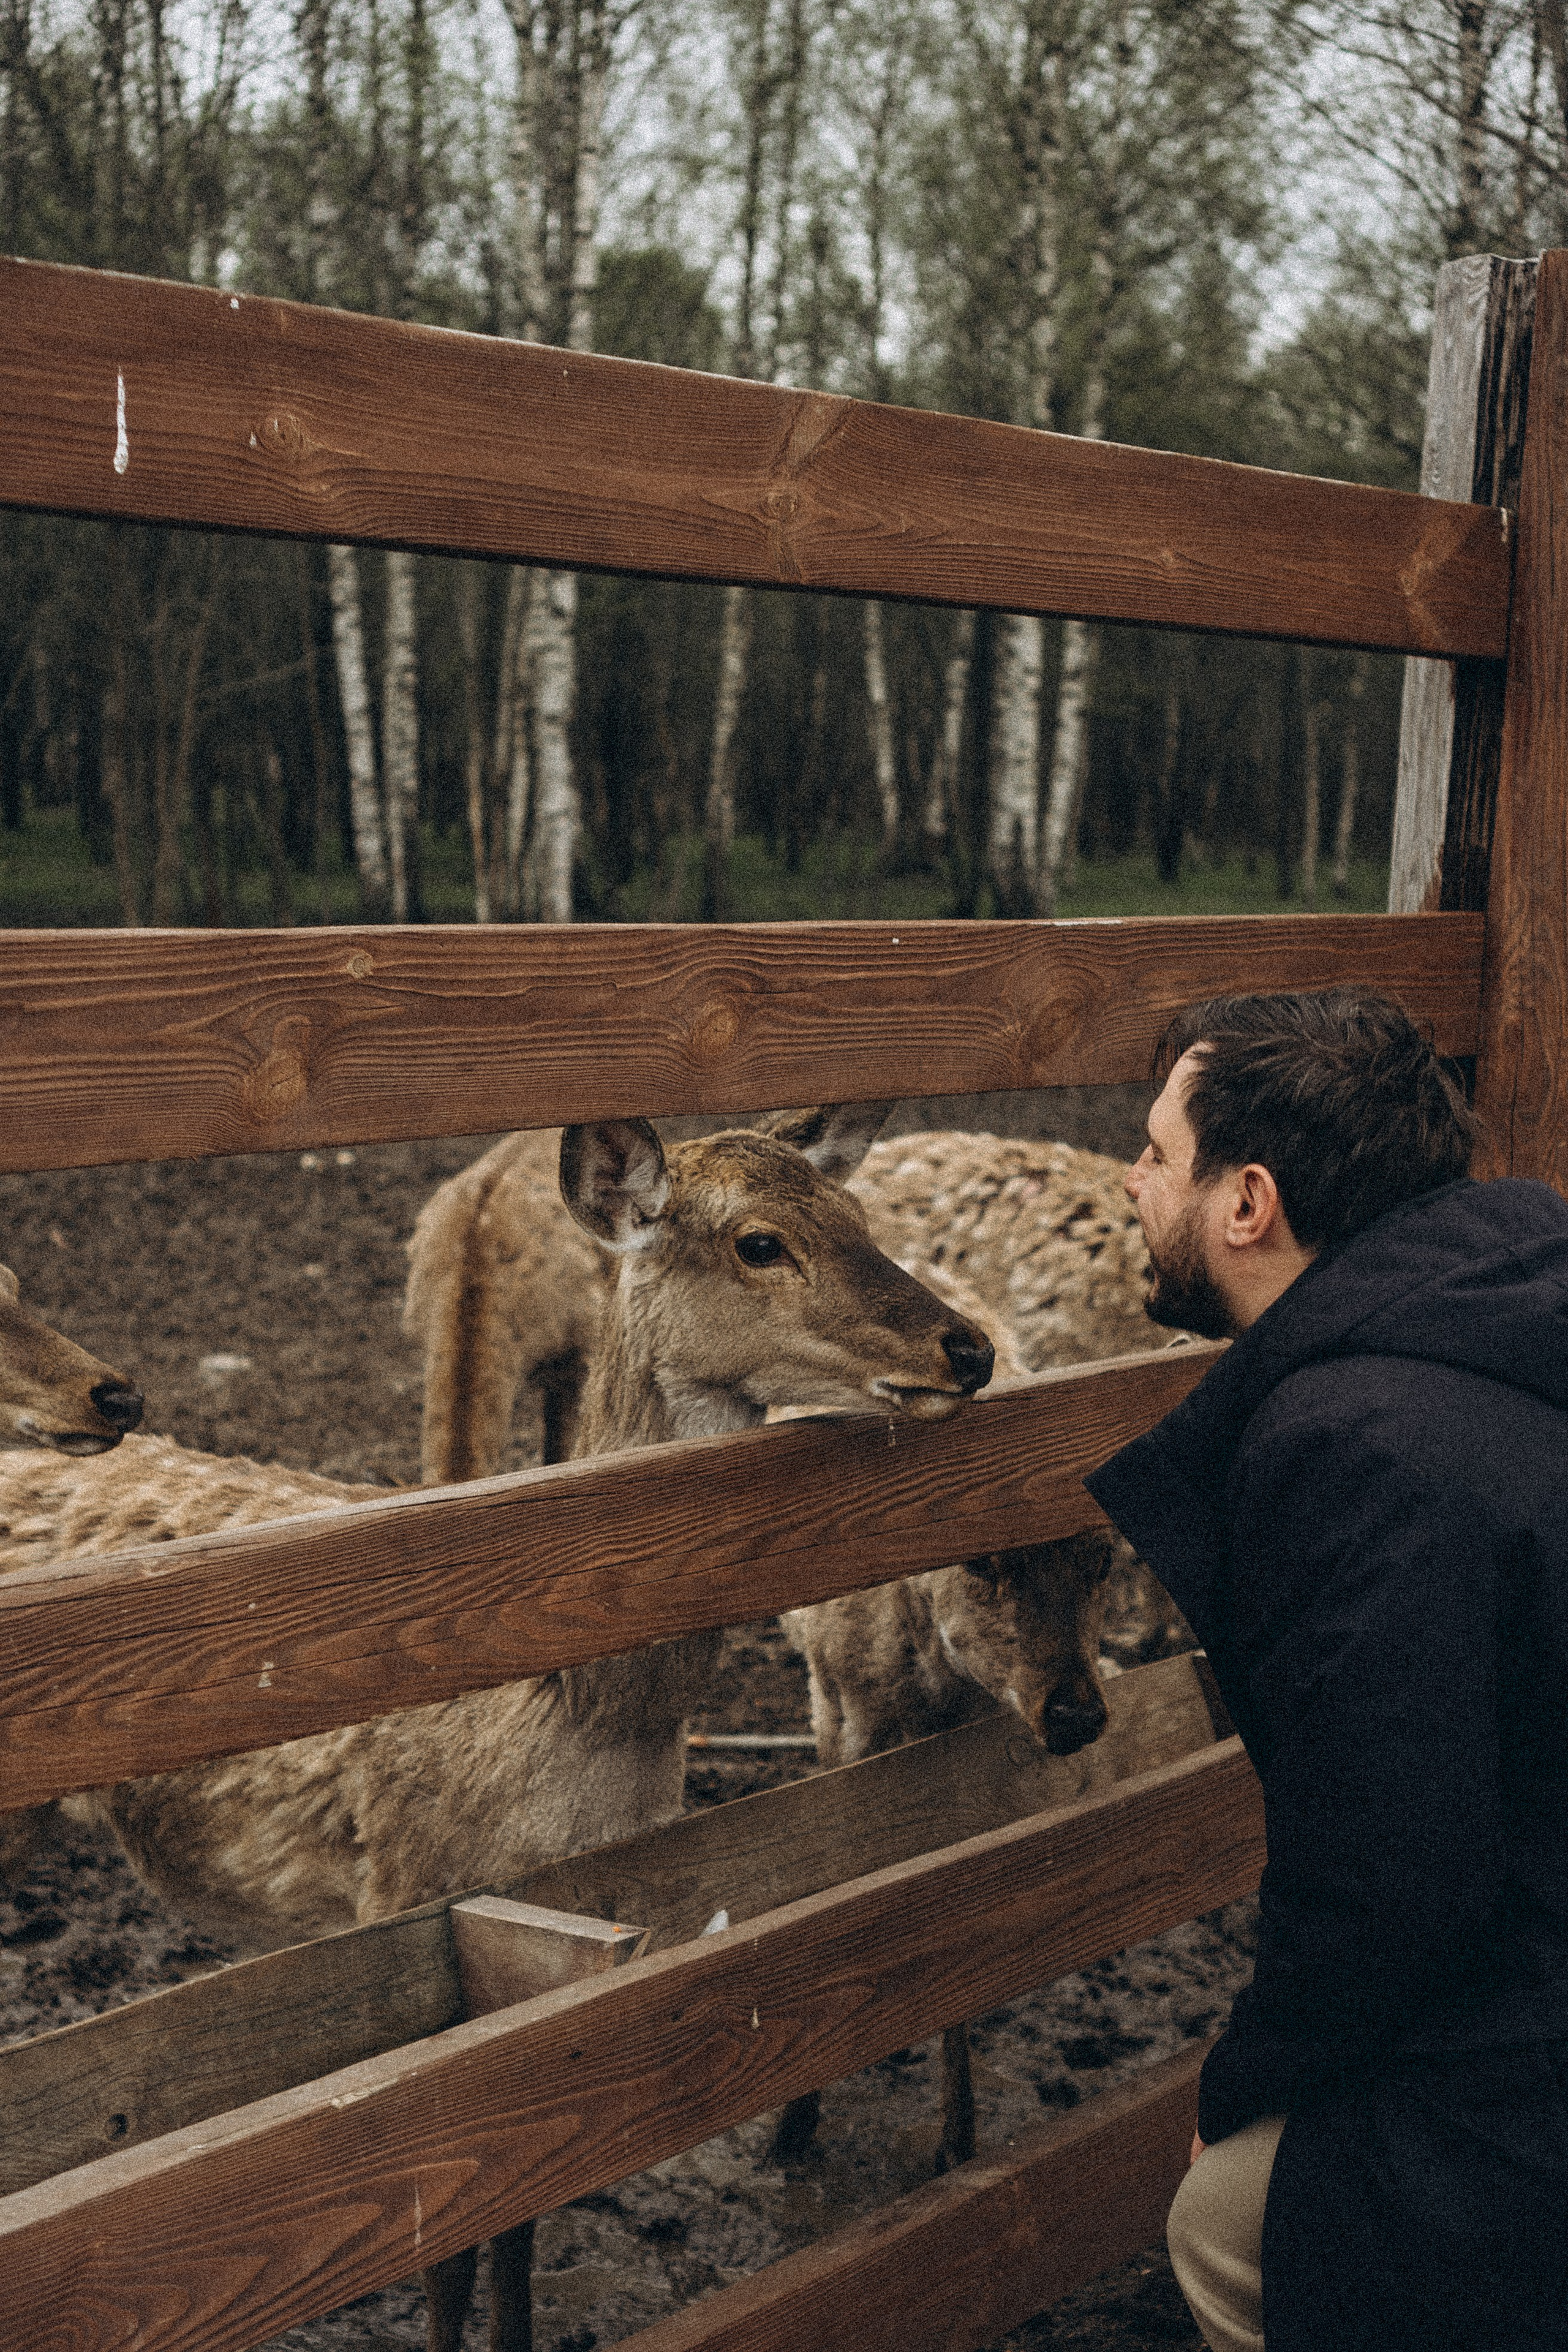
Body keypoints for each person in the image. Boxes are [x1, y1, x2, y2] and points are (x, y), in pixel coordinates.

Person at [1084, 989, 1568, 2352]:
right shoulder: (1512, 1313)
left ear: (1247, 1203)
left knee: (1229, 2221)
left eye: (1155, 1155)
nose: (1129, 1181)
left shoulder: (1354, 1449)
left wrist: (1235, 2094)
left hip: (1530, 2055)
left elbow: (1390, 1874)